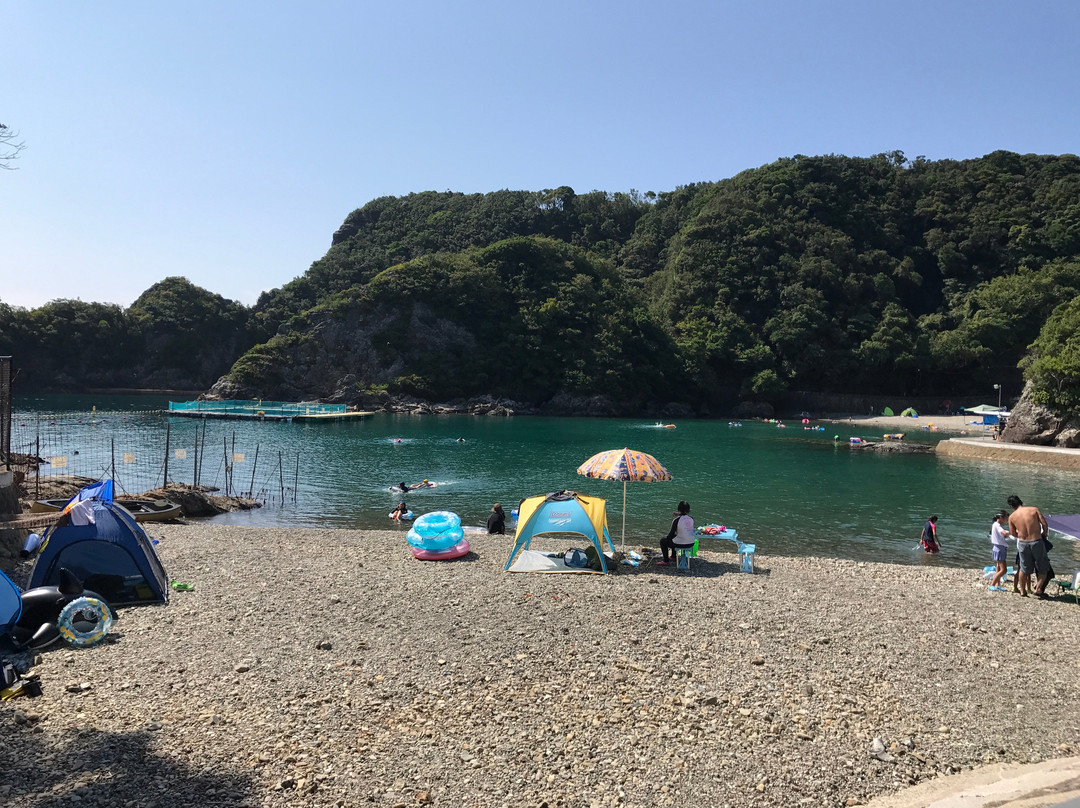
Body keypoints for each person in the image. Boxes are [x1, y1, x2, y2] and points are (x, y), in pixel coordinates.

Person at [1007, 495, 1051, 597]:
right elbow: (1044, 524)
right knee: (1043, 567)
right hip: (1036, 541)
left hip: (1023, 543)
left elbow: (1013, 533)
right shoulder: (1034, 510)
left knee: (1024, 568)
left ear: (1011, 506)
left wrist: (1022, 535)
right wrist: (1044, 533)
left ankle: (1022, 591)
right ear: (1021, 502)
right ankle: (1038, 588)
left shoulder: (1012, 517)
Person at [658, 501, 695, 566]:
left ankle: (666, 561)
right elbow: (684, 516)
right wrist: (678, 513)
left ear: (679, 509)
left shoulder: (676, 520)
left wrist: (667, 538)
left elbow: (671, 534)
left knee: (663, 541)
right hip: (691, 543)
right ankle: (673, 556)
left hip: (680, 544)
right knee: (675, 537)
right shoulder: (691, 519)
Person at [989, 511, 1011, 588]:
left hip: (997, 548)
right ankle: (992, 585)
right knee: (1004, 570)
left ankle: (998, 585)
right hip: (999, 549)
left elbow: (1001, 535)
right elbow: (1004, 533)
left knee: (998, 568)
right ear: (1001, 518)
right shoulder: (997, 525)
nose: (1007, 520)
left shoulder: (995, 525)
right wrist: (1013, 532)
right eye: (1006, 518)